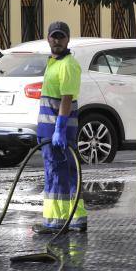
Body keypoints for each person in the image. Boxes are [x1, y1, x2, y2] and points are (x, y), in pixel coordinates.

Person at [33, 21, 88, 234]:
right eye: (53, 36)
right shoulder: (53, 63)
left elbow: (66, 99)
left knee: (57, 173)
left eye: (61, 37)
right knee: (64, 173)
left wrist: (60, 129)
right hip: (50, 132)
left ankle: (56, 222)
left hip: (58, 132)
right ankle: (74, 219)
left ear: (68, 39)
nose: (57, 40)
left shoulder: (67, 64)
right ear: (48, 38)